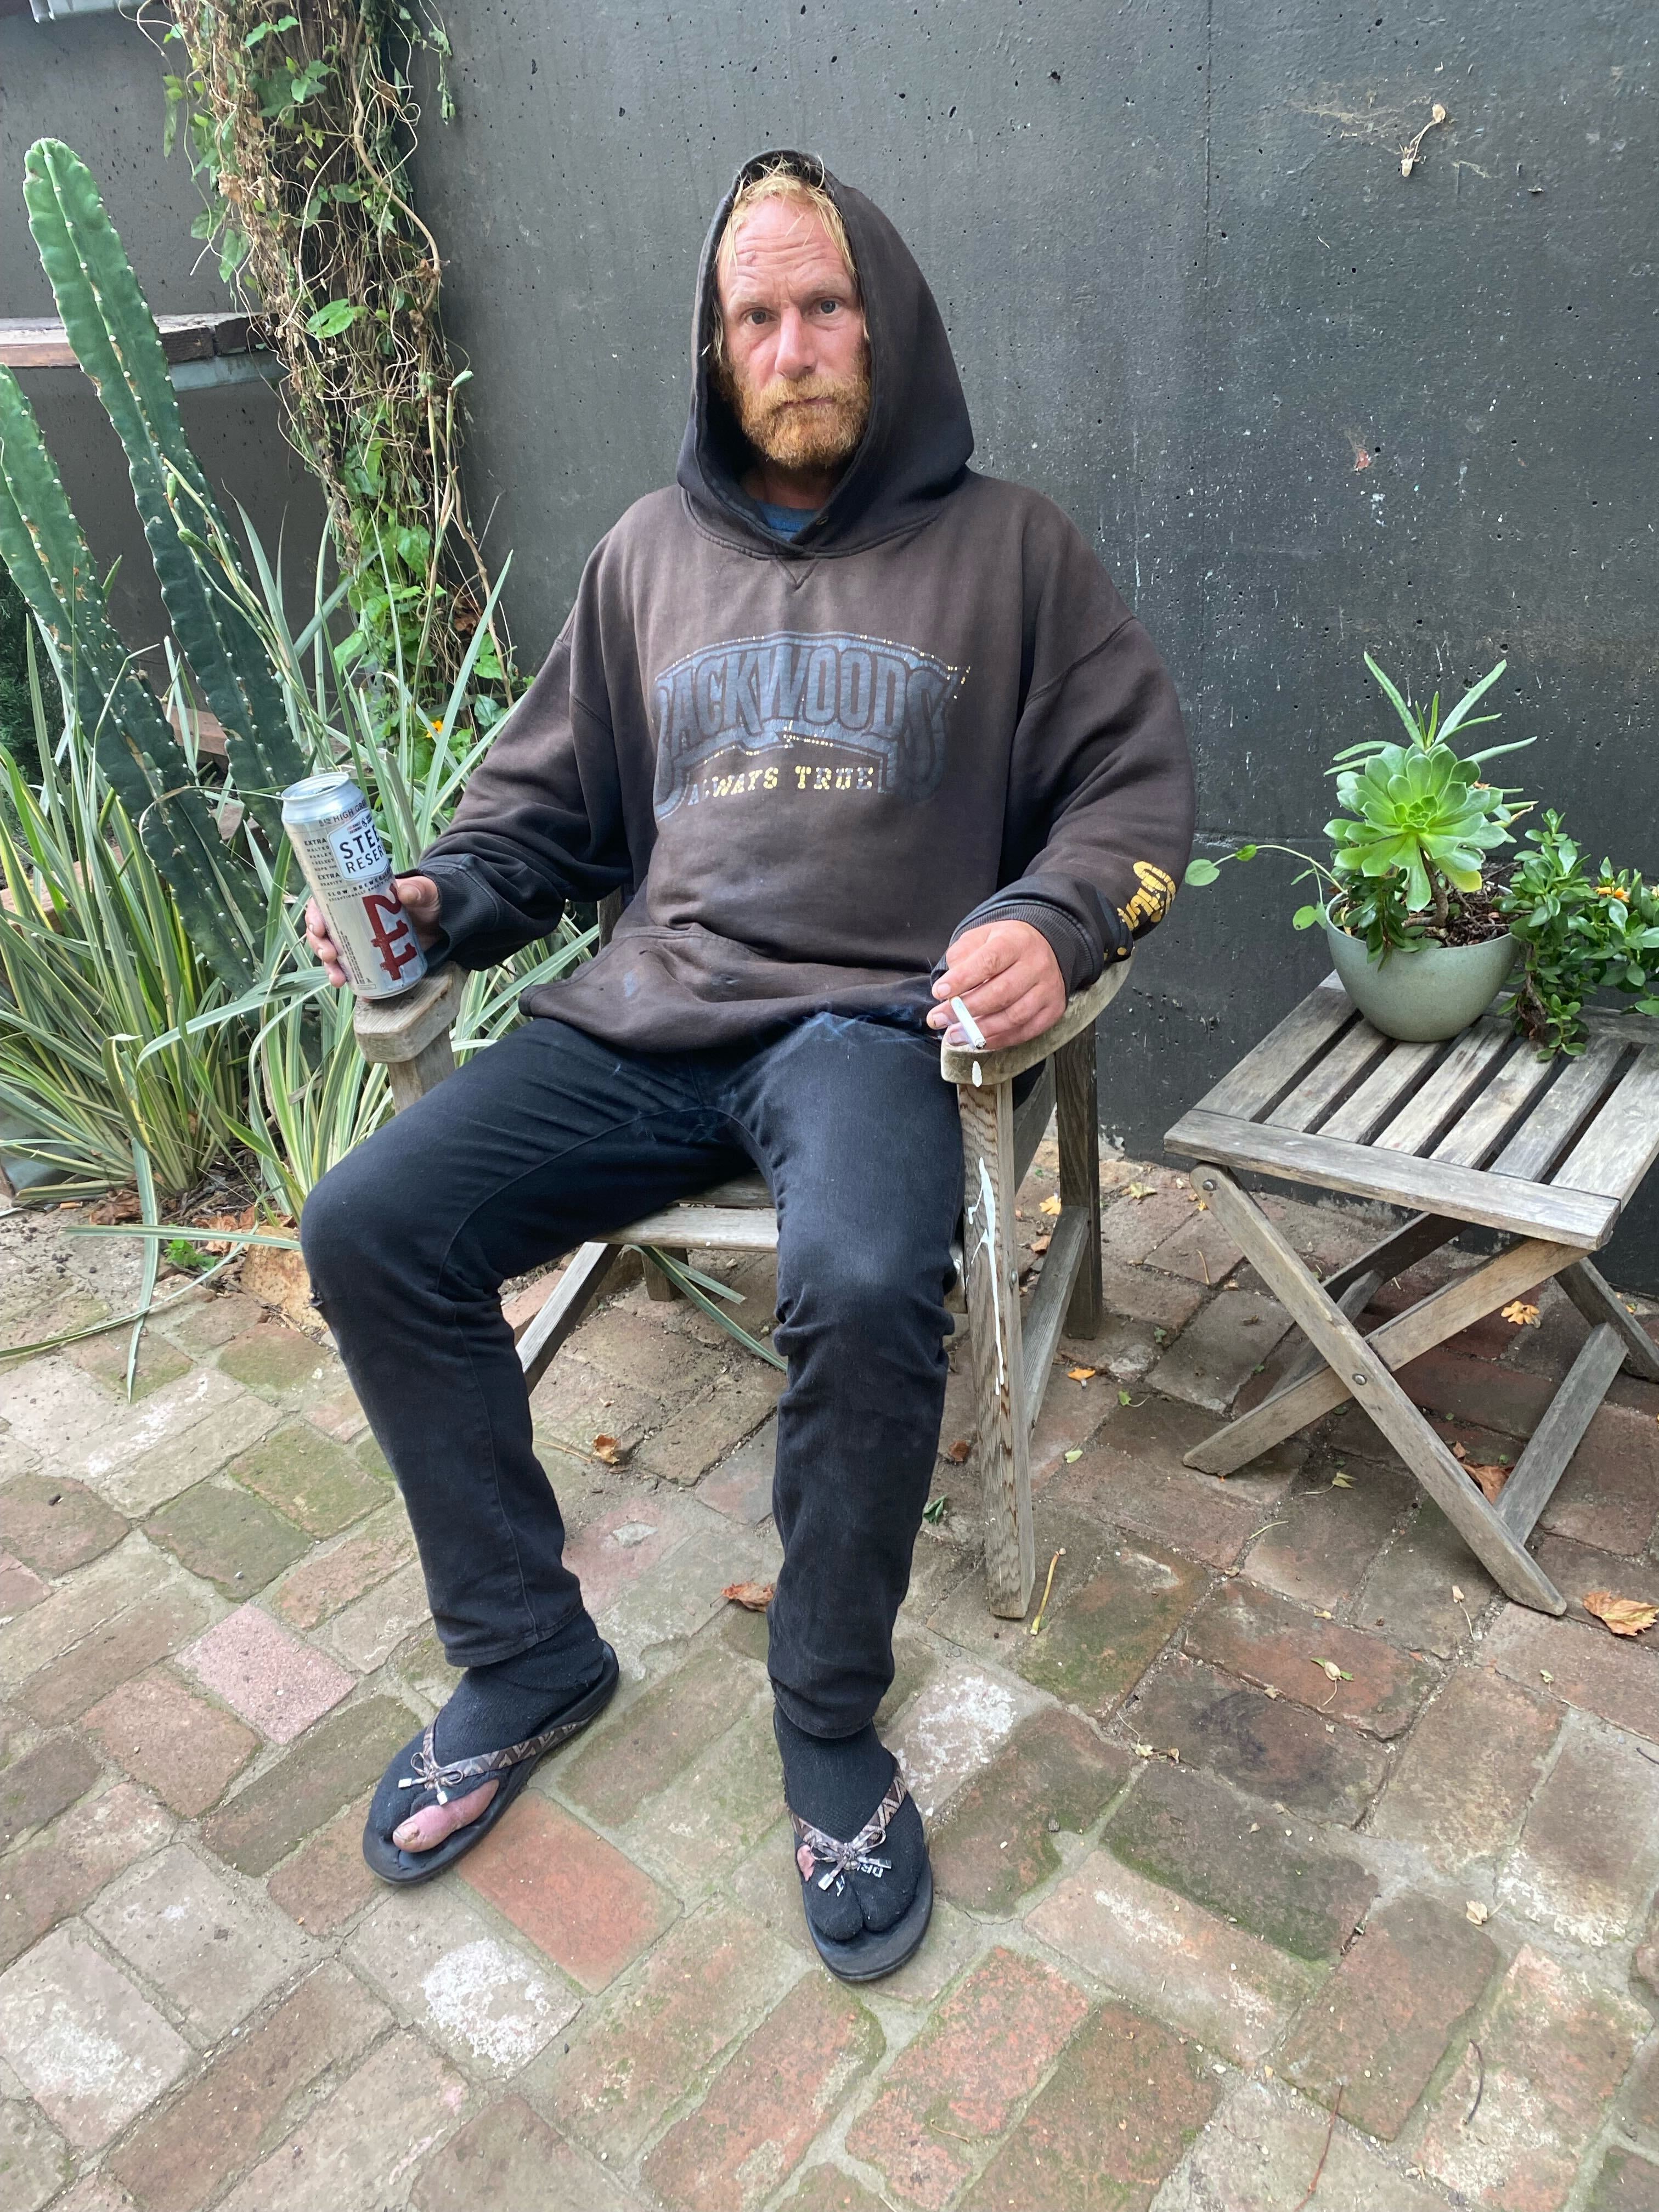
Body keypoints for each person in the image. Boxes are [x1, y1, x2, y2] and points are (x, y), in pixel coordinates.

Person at [301, 149, 1194, 1982]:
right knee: (372, 1221)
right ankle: (527, 1652)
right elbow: (538, 820)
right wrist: (429, 900)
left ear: (887, 318)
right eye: (755, 318)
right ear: (719, 350)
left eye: (823, 305)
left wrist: (1056, 918)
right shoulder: (646, 554)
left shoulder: (1012, 550)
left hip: (865, 1026)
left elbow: (1134, 795)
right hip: (649, 1013)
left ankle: (827, 1713)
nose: (792, 347)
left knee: (866, 1279)